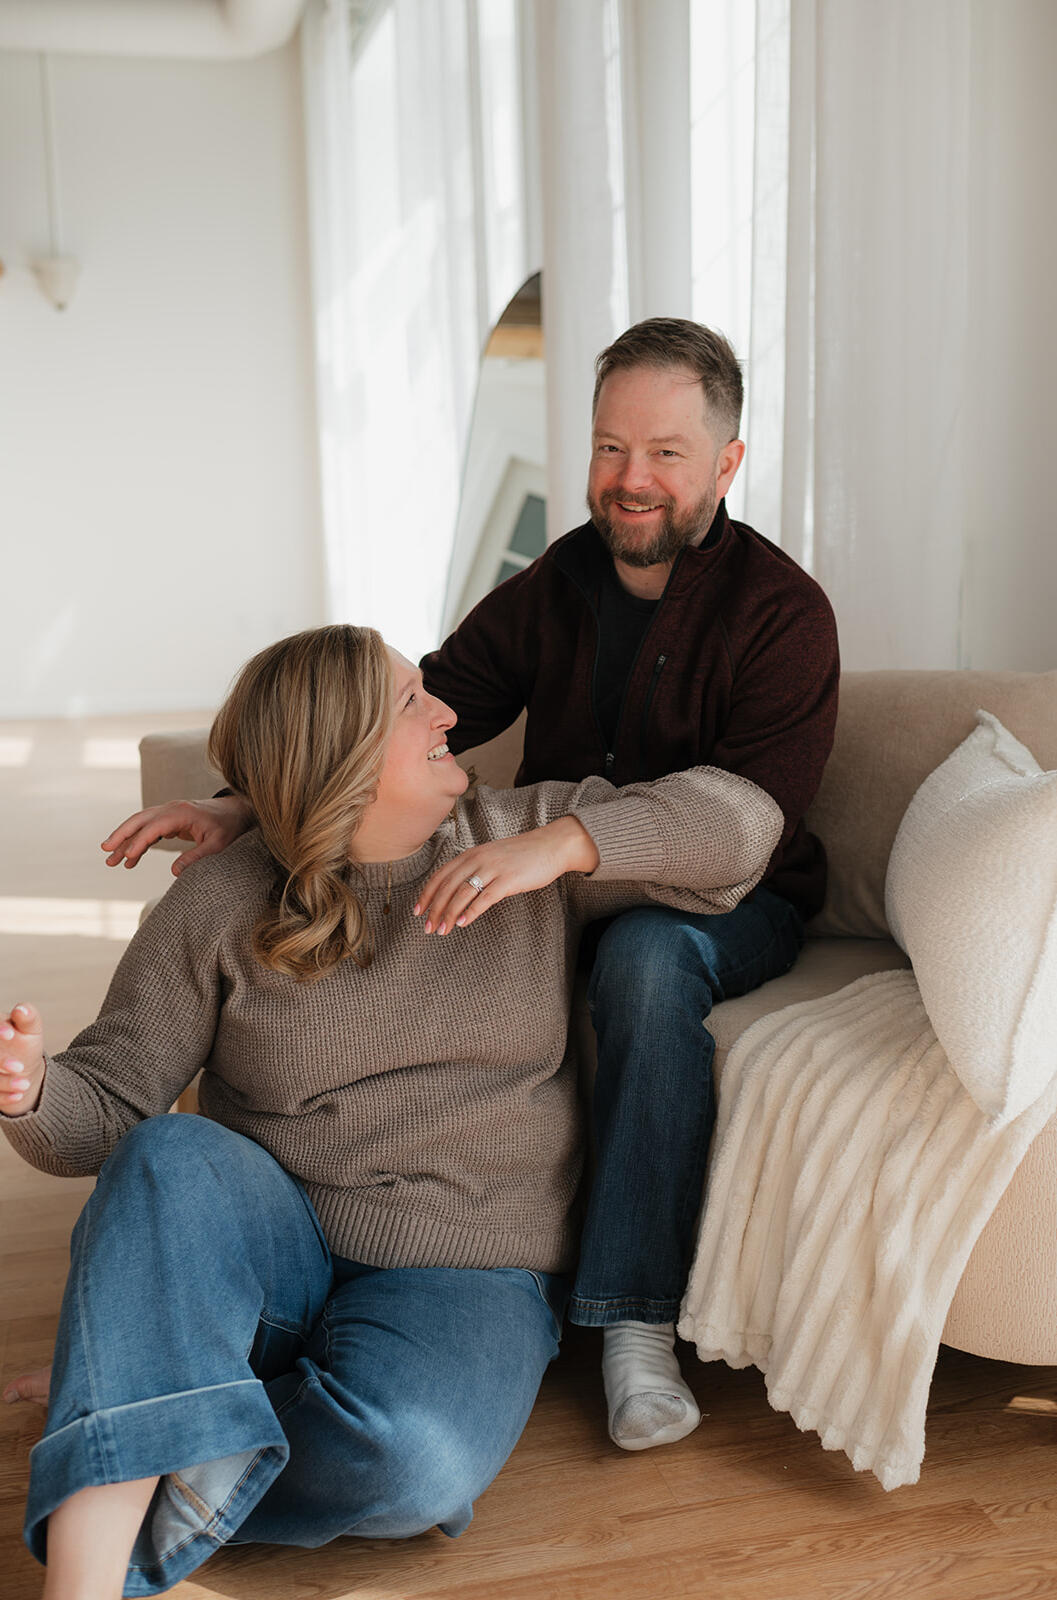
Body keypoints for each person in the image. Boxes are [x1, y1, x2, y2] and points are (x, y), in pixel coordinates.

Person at [76, 318, 839, 1453]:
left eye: (667, 454)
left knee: (641, 958)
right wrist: (250, 809)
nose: (630, 480)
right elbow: (412, 718)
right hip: (536, 875)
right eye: (609, 446)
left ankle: (631, 1319)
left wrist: (567, 841)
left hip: (718, 897)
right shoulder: (555, 582)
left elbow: (744, 827)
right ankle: (217, 1299)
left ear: (726, 464)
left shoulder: (781, 615)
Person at [0, 623, 782, 1597]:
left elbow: (743, 824)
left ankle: (123, 1419)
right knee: (166, 1156)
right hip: (269, 1246)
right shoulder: (221, 900)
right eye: (412, 699)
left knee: (418, 1465)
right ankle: (82, 1578)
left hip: (462, 1268)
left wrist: (570, 843)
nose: (450, 711)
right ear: (342, 755)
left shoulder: (522, 839)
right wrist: (33, 1093)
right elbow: (112, 1106)